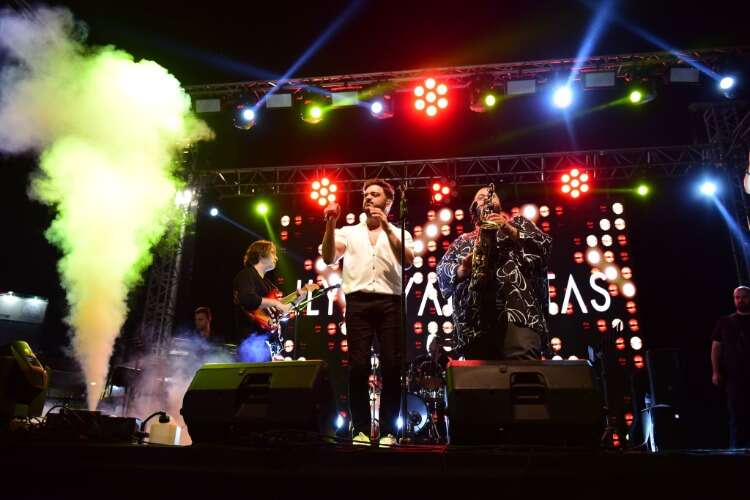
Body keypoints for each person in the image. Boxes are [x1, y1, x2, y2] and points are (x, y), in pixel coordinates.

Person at [322, 178, 414, 446]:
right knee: (358, 366)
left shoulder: (400, 232)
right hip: (358, 303)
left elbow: (407, 261)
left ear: (388, 201)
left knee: (392, 366)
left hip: (390, 302)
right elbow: (328, 257)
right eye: (365, 194)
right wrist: (330, 223)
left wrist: (386, 227)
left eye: (375, 194)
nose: (368, 198)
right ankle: (360, 430)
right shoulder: (349, 232)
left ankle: (388, 431)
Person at [436, 186, 552, 360]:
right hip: (474, 324)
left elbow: (544, 247)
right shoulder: (462, 241)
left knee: (523, 372)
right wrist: (462, 269)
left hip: (517, 315)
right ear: (473, 207)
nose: (486, 198)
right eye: (480, 197)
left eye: (492, 196)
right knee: (482, 377)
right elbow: (441, 273)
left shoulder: (519, 223)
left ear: (499, 204)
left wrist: (506, 227)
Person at [233, 240, 312, 362]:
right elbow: (248, 299)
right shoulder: (246, 275)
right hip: (251, 341)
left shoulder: (268, 284)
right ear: (261, 254)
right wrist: (275, 303)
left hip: (268, 342)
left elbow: (281, 311)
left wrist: (298, 299)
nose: (276, 257)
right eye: (273, 252)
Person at [711, 286, 750, 448]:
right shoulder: (725, 322)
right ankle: (736, 452)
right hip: (734, 377)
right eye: (737, 297)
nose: (740, 300)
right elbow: (716, 347)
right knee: (736, 416)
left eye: (744, 297)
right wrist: (715, 371)